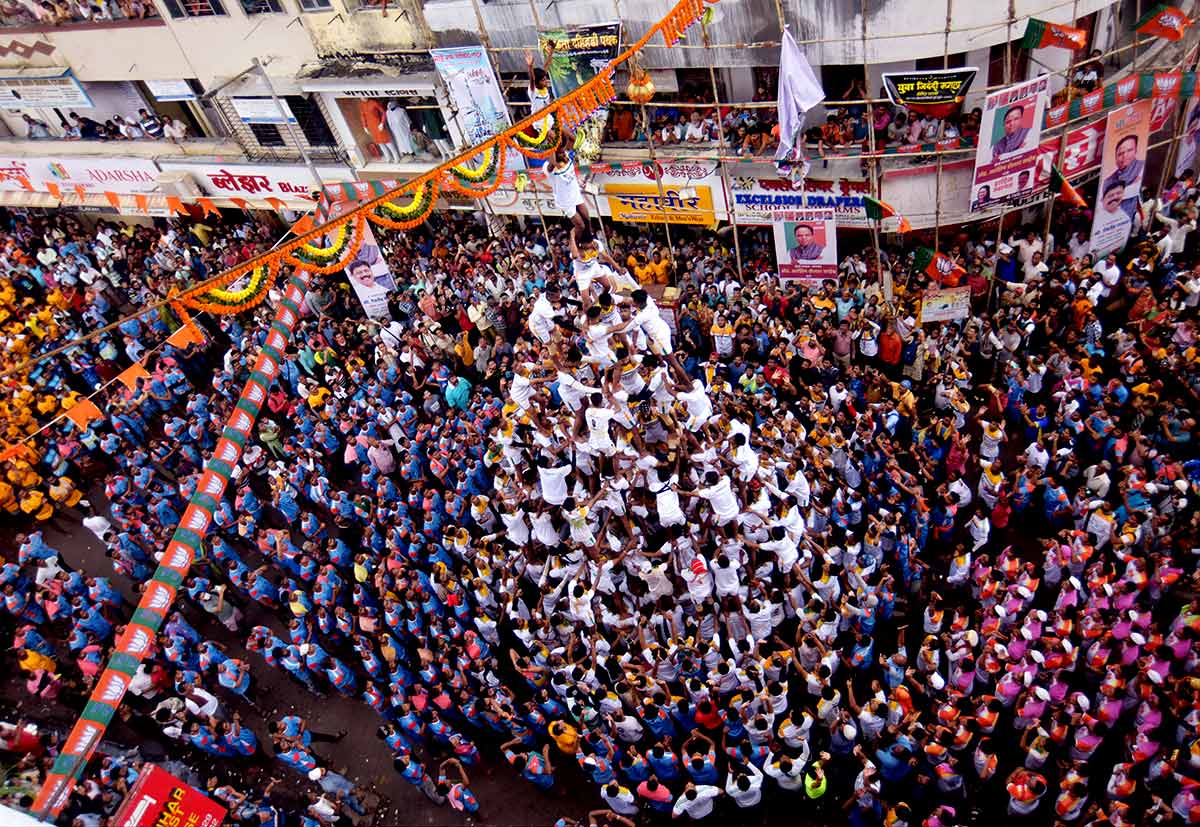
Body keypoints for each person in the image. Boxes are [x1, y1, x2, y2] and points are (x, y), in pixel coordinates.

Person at [1102, 133, 1146, 220]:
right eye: (1120, 153)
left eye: (1129, 150)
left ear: (1136, 151)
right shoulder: (1108, 180)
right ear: (1115, 157)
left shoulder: (1141, 167)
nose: (1125, 156)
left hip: (1131, 216)